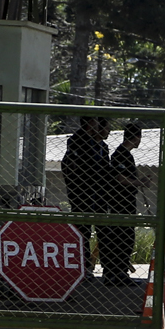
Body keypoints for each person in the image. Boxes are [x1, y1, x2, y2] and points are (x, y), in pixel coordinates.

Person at [61, 117, 111, 278]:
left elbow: (105, 170)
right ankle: (84, 267)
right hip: (83, 193)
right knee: (83, 230)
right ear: (90, 124)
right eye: (95, 122)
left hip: (99, 194)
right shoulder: (77, 141)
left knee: (104, 230)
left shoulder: (102, 147)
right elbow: (73, 167)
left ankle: (107, 268)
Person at [101, 124, 142, 285]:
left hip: (127, 202)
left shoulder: (126, 155)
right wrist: (138, 183)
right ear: (136, 137)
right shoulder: (120, 155)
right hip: (120, 202)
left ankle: (120, 271)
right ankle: (117, 272)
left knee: (126, 237)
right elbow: (120, 178)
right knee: (121, 237)